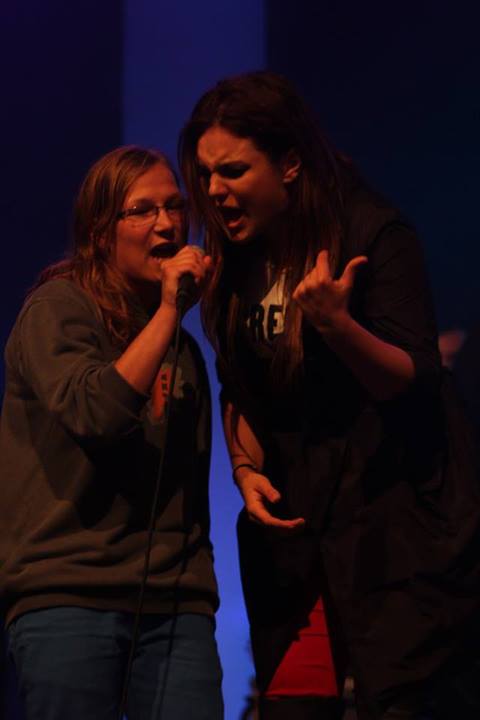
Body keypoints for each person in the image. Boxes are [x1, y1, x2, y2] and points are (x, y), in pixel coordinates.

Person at [179, 72, 480, 720]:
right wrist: (245, 469)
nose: (215, 191)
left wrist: (338, 327)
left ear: (289, 164)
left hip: (394, 532)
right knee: (293, 705)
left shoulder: (370, 232)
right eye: (205, 174)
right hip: (298, 538)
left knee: (401, 701)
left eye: (233, 170)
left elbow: (415, 381)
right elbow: (241, 385)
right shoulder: (236, 256)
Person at [0, 146, 224, 720]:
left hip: (175, 606)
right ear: (101, 233)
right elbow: (95, 415)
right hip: (70, 594)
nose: (168, 224)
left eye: (175, 207)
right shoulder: (57, 309)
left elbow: (188, 484)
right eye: (143, 210)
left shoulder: (182, 347)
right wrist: (170, 312)